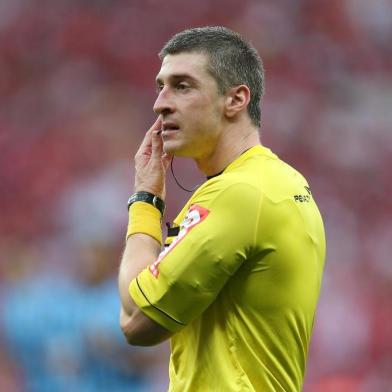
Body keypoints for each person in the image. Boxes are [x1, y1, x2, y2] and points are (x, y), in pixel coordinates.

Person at [118, 26, 326, 391]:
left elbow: (137, 319)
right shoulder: (281, 182)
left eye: (182, 86)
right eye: (160, 86)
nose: (160, 103)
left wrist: (146, 201)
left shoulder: (239, 193)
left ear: (236, 100)